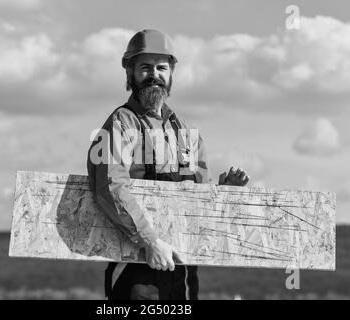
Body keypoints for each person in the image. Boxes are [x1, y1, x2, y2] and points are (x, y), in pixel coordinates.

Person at [87, 29, 249, 300]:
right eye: (145, 67)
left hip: (182, 269)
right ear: (130, 73)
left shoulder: (183, 129)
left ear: (171, 74)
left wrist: (225, 192)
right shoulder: (121, 123)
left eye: (162, 67)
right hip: (135, 265)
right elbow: (110, 185)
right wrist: (149, 241)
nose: (154, 75)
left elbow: (199, 195)